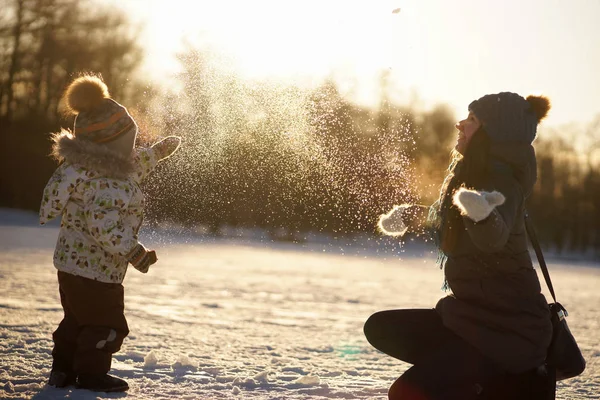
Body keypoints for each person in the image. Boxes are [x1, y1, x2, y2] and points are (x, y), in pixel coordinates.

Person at [365, 92, 555, 399]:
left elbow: (493, 238)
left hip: (509, 333)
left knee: (407, 393)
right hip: (472, 320)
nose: (460, 124)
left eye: (472, 120)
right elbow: (453, 220)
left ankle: (510, 380)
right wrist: (413, 216)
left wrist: (482, 214)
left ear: (493, 132)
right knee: (381, 327)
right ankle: (481, 381)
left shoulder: (502, 182)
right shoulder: (472, 174)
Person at [39, 75, 181, 392]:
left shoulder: (83, 169)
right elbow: (106, 229)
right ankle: (91, 374)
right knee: (106, 325)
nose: (132, 148)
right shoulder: (108, 183)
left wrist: (157, 152)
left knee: (76, 320)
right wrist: (136, 254)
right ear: (113, 146)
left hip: (70, 266)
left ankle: (61, 370)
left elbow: (133, 163)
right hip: (97, 271)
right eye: (128, 141)